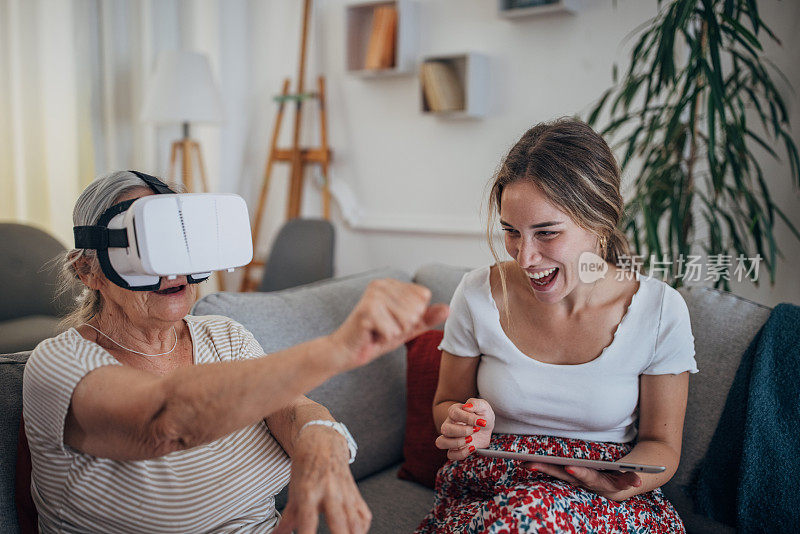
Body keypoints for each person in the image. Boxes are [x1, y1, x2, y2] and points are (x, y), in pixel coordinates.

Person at [22, 170, 449, 534]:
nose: (172, 268)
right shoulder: (57, 364)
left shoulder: (223, 336)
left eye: (178, 240)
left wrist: (322, 440)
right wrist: (338, 349)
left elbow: (292, 409)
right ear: (87, 271)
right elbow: (164, 421)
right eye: (144, 248)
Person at [416, 119, 698, 533]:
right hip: (490, 487)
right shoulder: (477, 293)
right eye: (511, 232)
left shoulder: (659, 310)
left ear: (599, 221)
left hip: (603, 499)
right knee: (523, 510)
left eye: (546, 233)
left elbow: (662, 445)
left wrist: (619, 481)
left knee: (529, 511)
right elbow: (446, 405)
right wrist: (461, 421)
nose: (525, 257)